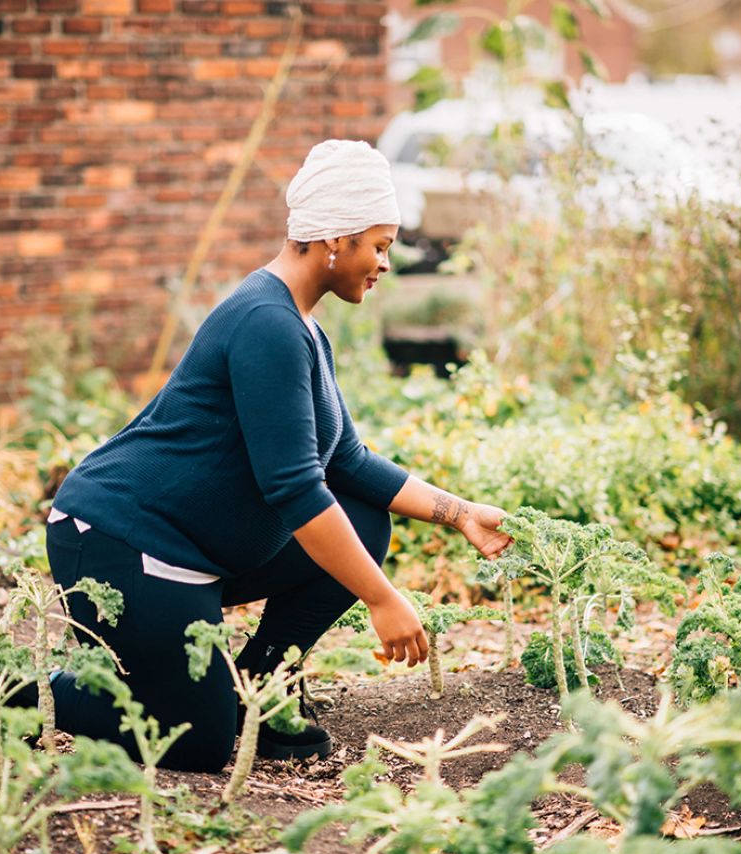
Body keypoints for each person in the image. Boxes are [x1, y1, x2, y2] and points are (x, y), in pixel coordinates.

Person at [42, 139, 513, 773]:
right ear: (334, 240)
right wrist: (382, 599)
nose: (383, 264)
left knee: (366, 520)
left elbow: (346, 460)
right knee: (197, 744)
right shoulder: (266, 323)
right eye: (378, 246)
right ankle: (27, 693)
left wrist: (458, 514)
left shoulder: (303, 326)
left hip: (193, 546)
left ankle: (257, 690)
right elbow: (296, 490)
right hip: (124, 544)